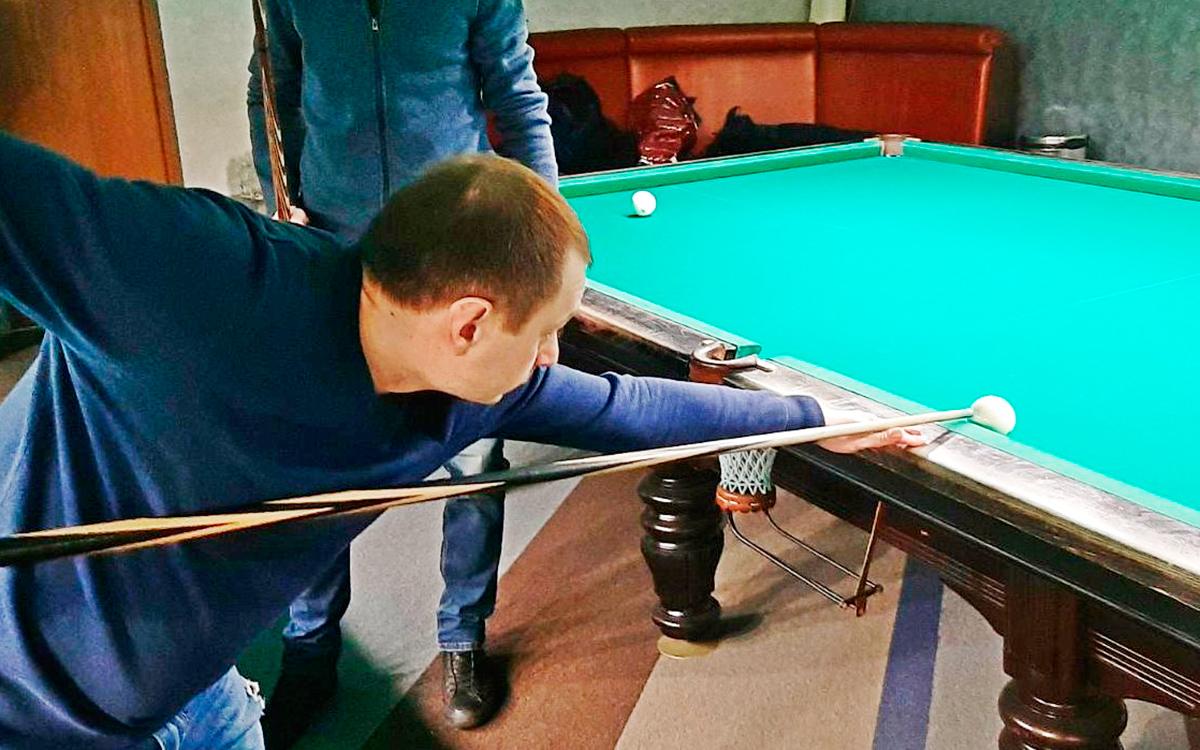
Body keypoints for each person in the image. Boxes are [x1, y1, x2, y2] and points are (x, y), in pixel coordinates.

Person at [0, 131, 923, 750]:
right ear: (470, 323)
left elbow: (627, 408)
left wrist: (818, 418)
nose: (551, 356)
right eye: (547, 330)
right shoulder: (197, 276)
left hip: (197, 695)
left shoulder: (464, 389)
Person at [245, 1, 557, 740]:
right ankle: (311, 649)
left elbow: (518, 100)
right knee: (318, 464)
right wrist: (280, 200)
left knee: (472, 460)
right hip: (334, 252)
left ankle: (463, 638)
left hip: (457, 246)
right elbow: (274, 91)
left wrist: (540, 257)